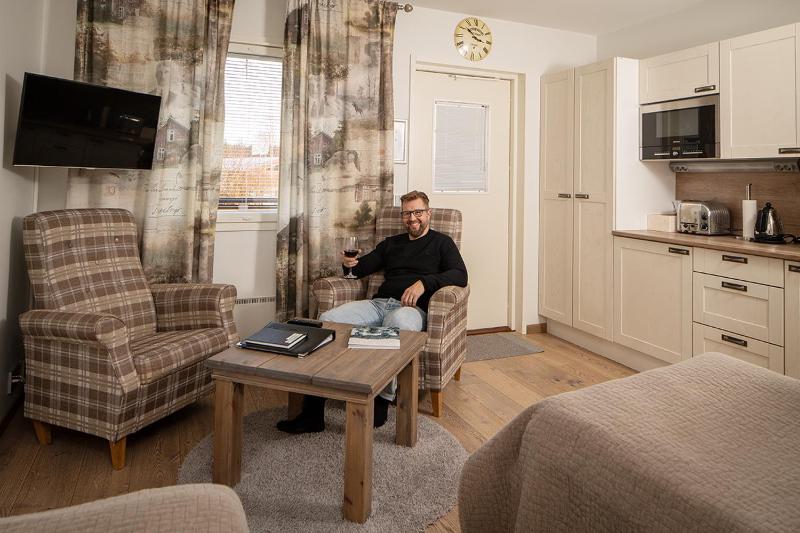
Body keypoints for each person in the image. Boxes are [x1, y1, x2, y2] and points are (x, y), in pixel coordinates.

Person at [276, 190, 468, 434]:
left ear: (428, 213)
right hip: (378, 304)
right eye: (407, 213)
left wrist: (424, 283)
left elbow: (460, 275)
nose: (412, 218)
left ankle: (381, 401)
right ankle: (313, 410)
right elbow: (361, 268)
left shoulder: (442, 243)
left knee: (396, 324)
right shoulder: (392, 243)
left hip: (411, 309)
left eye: (418, 212)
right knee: (328, 320)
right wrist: (349, 265)